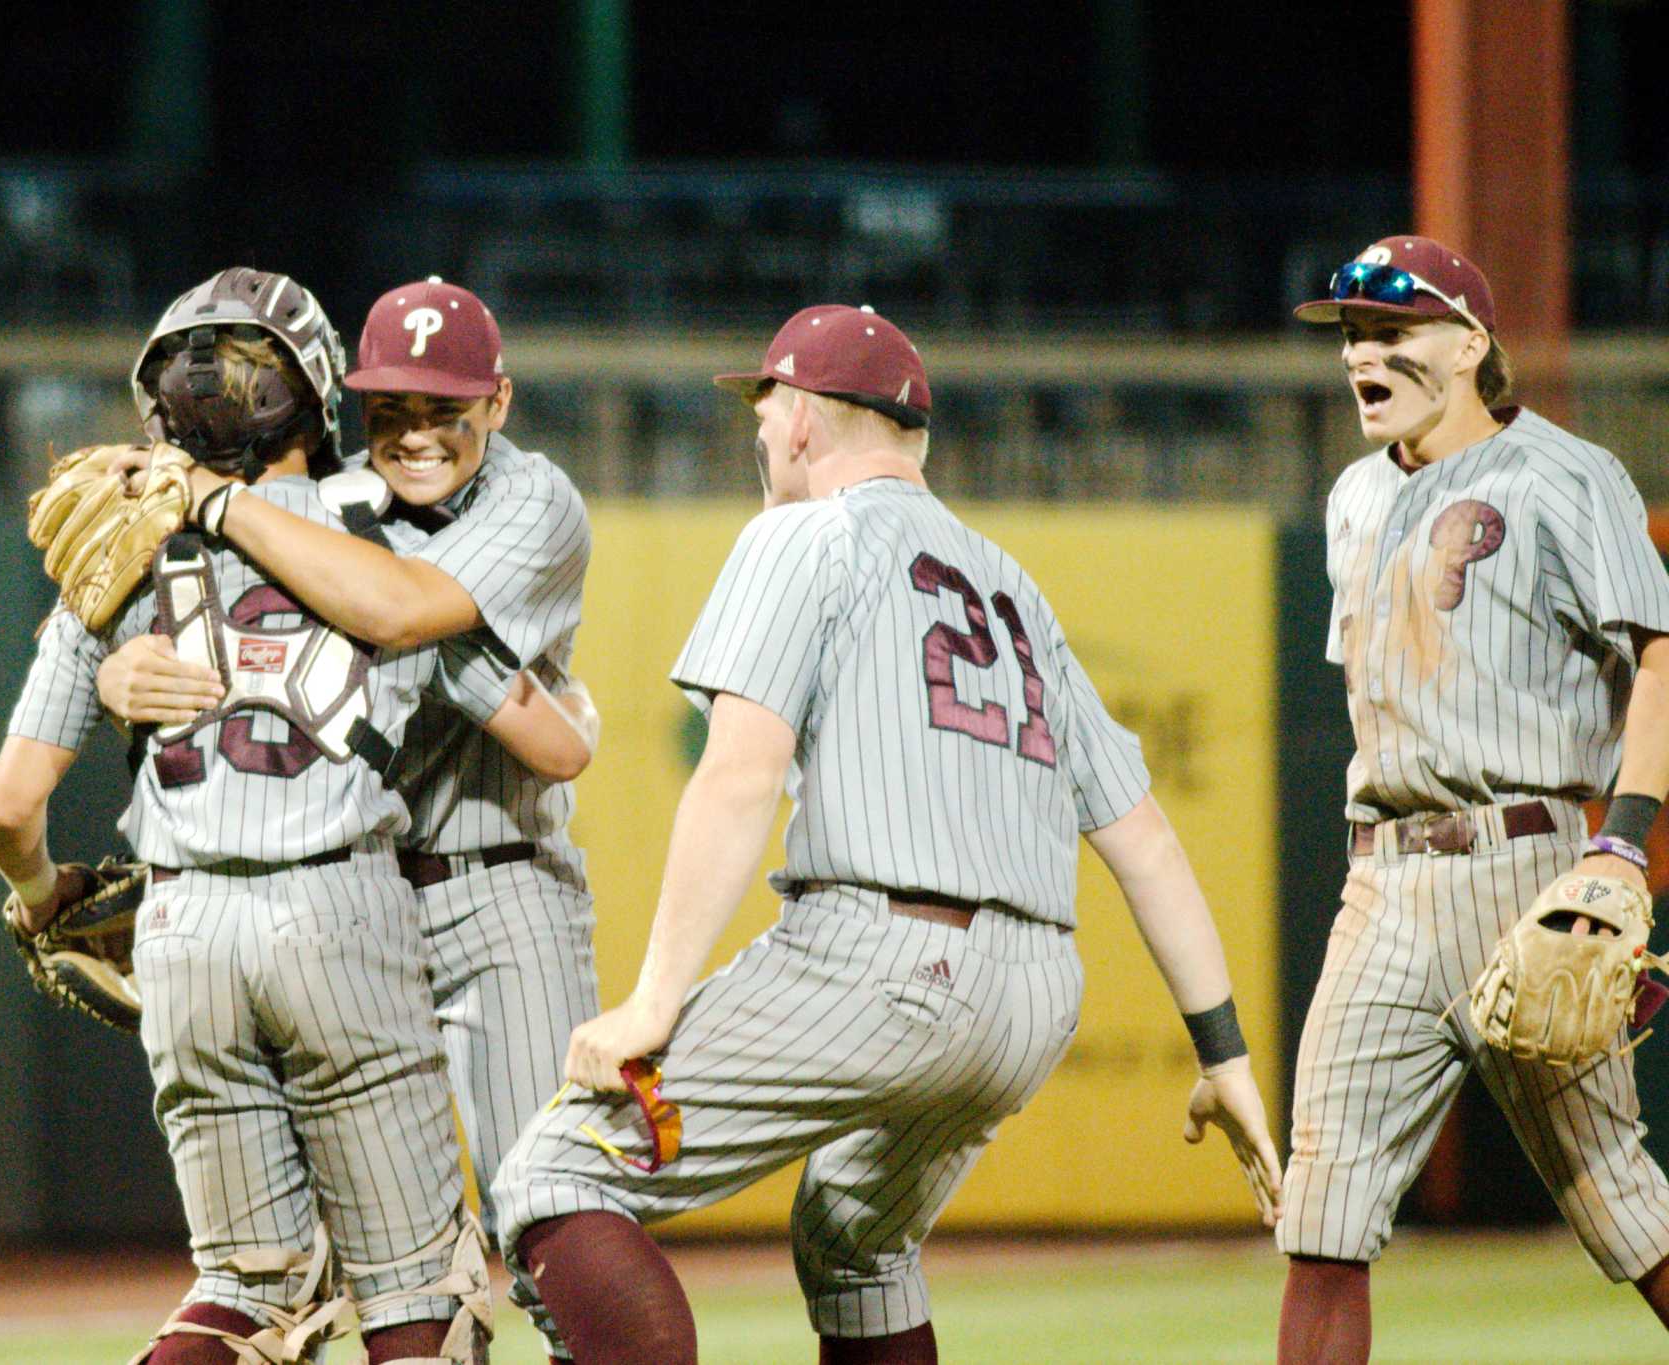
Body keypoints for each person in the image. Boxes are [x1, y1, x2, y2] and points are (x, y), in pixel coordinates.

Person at [487, 304, 1285, 1365]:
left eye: (764, 405)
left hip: (883, 960)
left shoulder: (802, 533)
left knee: (551, 1174)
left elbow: (736, 778)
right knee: (854, 1239)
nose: (758, 430)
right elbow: (1142, 839)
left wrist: (654, 1000)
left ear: (807, 421)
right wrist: (1220, 1049)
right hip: (1034, 998)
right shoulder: (1015, 588)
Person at [0, 267, 594, 1365]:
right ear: (320, 398)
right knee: (416, 1296)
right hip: (340, 908)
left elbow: (9, 809)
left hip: (178, 932)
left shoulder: (108, 553)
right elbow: (548, 738)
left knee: (242, 1291)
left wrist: (45, 901)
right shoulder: (387, 535)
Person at [1275, 235, 1669, 1362]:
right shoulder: (1354, 498)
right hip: (1381, 877)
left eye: (1389, 330)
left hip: (1527, 864)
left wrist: (1623, 847)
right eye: (1350, 334)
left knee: (1618, 1204)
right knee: (1322, 1211)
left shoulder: (1565, 472)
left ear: (1465, 344)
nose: (1361, 351)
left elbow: (1657, 658)